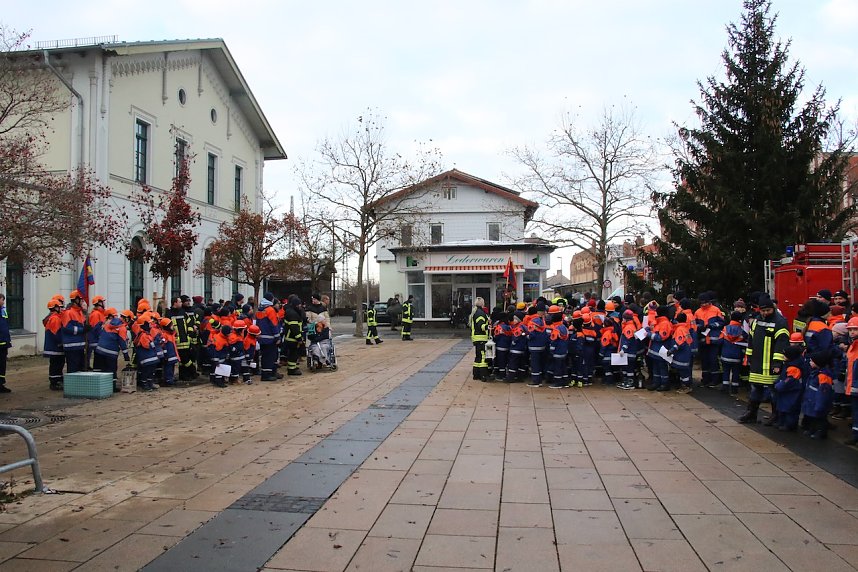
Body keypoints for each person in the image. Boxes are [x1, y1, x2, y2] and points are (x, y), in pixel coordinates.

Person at [739, 294, 789, 423]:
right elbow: (751, 339)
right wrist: (749, 356)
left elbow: (781, 344)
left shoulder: (780, 322)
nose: (765, 313)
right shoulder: (756, 320)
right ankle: (751, 413)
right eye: (763, 310)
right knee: (755, 388)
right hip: (757, 362)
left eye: (768, 310)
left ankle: (775, 415)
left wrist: (777, 363)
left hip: (771, 363)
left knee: (773, 390)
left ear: (773, 308)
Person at [801, 349, 835, 439]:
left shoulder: (823, 376)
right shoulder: (814, 373)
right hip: (812, 400)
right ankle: (812, 429)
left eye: (812, 361)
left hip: (818, 402)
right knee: (813, 417)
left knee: (820, 419)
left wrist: (820, 404)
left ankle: (821, 432)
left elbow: (824, 393)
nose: (810, 362)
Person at [256, 292, 282, 381]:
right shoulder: (270, 310)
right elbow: (273, 324)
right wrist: (277, 337)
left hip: (262, 337)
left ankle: (269, 372)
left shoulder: (260, 309)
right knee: (270, 356)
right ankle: (267, 375)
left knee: (265, 356)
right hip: (270, 338)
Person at [62, 290, 87, 374]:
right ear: (76, 300)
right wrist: (82, 330)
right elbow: (67, 328)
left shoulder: (79, 312)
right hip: (71, 346)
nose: (82, 302)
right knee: (73, 370)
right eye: (81, 300)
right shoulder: (68, 312)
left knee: (80, 369)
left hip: (79, 345)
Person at [283, 295, 304, 375]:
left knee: (294, 353)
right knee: (293, 353)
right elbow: (294, 328)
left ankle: (293, 367)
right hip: (292, 337)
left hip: (291, 337)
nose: (300, 306)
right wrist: (299, 338)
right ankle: (291, 370)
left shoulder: (291, 312)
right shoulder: (293, 314)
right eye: (299, 304)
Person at [470, 297, 490, 380]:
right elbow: (481, 325)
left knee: (478, 357)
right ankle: (483, 375)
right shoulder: (480, 313)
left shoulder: (475, 312)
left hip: (477, 338)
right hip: (481, 337)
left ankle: (476, 374)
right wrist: (488, 327)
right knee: (483, 357)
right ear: (482, 303)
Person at [86, 295, 107, 370]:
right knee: (98, 361)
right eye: (103, 302)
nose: (104, 303)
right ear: (99, 303)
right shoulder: (96, 314)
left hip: (99, 341)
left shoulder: (101, 313)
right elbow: (96, 328)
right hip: (96, 341)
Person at [0, 293, 9, 393]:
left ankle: (1, 383)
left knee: (2, 365)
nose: (3, 302)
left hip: (4, 342)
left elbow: (5, 326)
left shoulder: (3, 310)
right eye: (2, 300)